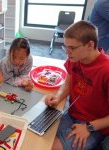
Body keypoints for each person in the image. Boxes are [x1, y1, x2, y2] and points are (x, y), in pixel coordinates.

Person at [45, 20, 109, 150]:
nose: (67, 53)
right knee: (39, 135)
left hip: (95, 126)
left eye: (72, 48)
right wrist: (57, 97)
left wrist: (89, 127)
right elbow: (67, 83)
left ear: (90, 45)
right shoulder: (75, 58)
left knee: (51, 147)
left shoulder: (106, 70)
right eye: (66, 47)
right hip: (72, 114)